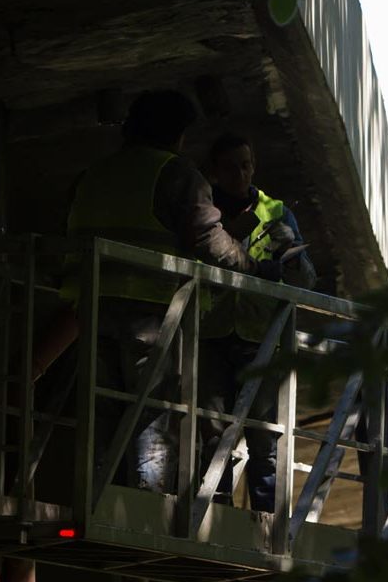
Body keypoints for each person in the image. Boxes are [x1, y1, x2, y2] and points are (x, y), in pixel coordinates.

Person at [63, 90, 273, 494]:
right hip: (152, 312)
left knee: (101, 412)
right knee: (152, 415)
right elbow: (210, 241)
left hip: (90, 309)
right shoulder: (175, 174)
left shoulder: (92, 174)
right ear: (177, 134)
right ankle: (143, 509)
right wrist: (255, 268)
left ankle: (93, 502)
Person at [198, 133, 317, 512]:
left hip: (260, 338)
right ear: (215, 171)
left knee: (263, 436)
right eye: (232, 166)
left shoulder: (277, 211)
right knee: (213, 430)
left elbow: (306, 281)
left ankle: (266, 517)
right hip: (213, 331)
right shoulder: (206, 209)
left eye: (246, 165)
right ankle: (216, 509)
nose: (241, 173)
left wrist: (292, 256)